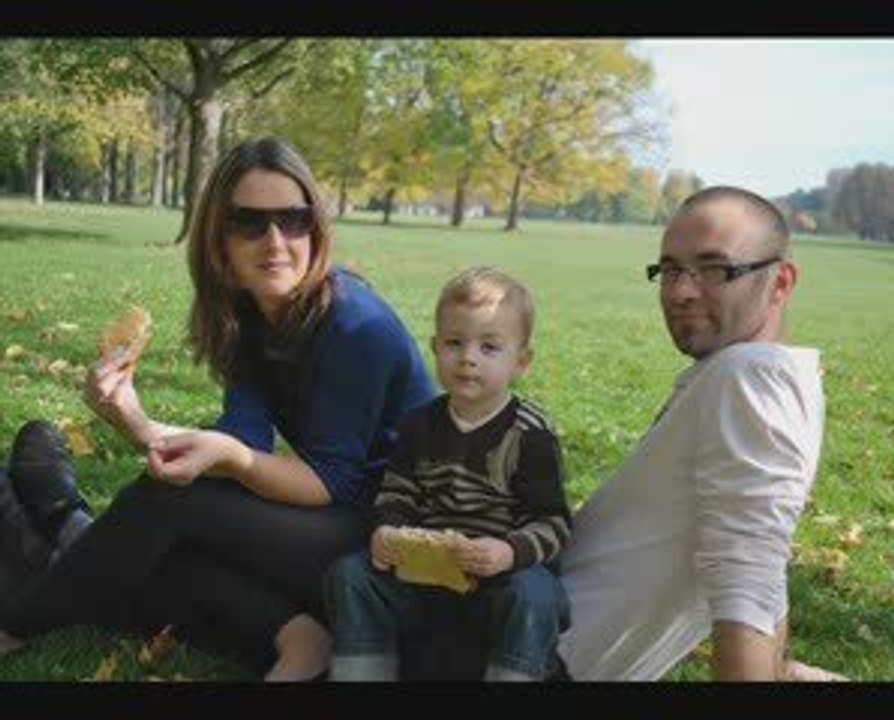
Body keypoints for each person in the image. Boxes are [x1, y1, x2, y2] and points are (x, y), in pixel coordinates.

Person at [0, 137, 437, 680]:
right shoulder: (250, 318)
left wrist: (229, 458)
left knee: (168, 505)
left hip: (397, 540)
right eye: (250, 223)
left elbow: (329, 481)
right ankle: (296, 635)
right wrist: (132, 421)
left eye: (293, 220)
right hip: (336, 521)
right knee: (158, 542)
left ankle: (19, 620)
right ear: (219, 241)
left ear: (315, 228)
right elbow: (241, 444)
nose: (275, 241)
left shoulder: (357, 325)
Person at [557, 185, 845, 682]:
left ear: (780, 283)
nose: (680, 292)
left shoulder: (750, 379)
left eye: (714, 269)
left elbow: (749, 588)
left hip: (528, 659)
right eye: (670, 270)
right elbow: (760, 563)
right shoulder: (763, 374)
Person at [324, 266, 572, 682]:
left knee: (535, 593)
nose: (468, 357)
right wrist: (388, 531)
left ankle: (515, 673)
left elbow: (554, 522)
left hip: (500, 585)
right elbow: (396, 496)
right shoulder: (418, 424)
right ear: (435, 347)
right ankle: (363, 672)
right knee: (351, 575)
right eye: (455, 342)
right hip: (426, 581)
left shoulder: (531, 434)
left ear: (520, 362)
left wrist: (508, 552)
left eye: (489, 347)